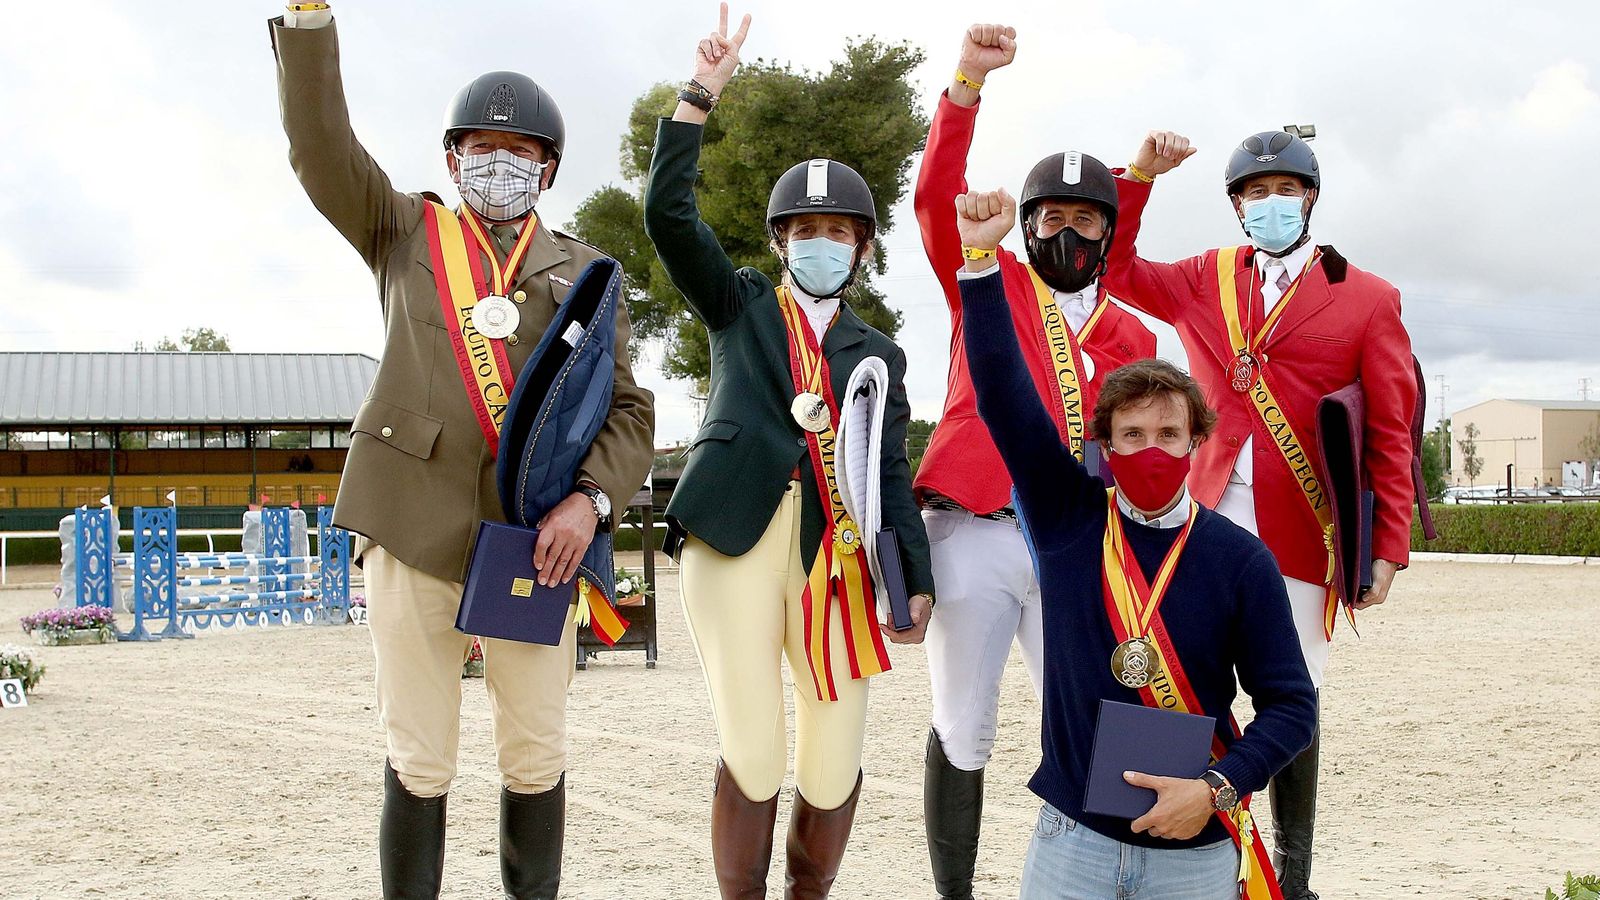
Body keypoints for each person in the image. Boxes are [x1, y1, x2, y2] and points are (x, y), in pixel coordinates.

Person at [268, 6, 655, 898]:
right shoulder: (403, 232)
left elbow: (628, 409)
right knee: (418, 755)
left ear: (548, 168)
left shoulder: (589, 272)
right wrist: (310, 23)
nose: (500, 163)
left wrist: (589, 500)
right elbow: (321, 147)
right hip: (410, 525)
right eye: (481, 147)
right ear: (452, 158)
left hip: (531, 540)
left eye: (520, 152)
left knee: (535, 749)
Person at [641, 6, 934, 897]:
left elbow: (888, 471)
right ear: (780, 244)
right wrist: (701, 95)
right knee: (758, 753)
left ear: (862, 249)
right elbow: (666, 213)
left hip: (837, 558)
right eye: (803, 232)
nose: (819, 243)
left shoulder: (879, 353)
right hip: (734, 538)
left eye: (838, 232)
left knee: (834, 761)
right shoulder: (739, 306)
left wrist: (913, 577)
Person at [953, 186, 1316, 900]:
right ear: (1106, 448)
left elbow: (1292, 707)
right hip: (1071, 847)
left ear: (1194, 443)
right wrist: (980, 262)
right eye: (1131, 435)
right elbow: (1000, 393)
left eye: (1169, 435)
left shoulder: (1241, 561)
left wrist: (1218, 788)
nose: (1151, 450)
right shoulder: (1067, 520)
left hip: (1197, 852)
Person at [1102, 127, 1419, 898]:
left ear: (1309, 199)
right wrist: (1139, 175)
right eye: (1253, 192)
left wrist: (1387, 544)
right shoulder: (1202, 277)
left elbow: (1390, 428)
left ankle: (1292, 876)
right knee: (1172, 671)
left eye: (1283, 191)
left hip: (1302, 530)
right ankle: (1165, 849)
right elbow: (1112, 268)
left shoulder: (1370, 297)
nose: (1268, 203)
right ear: (1236, 204)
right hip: (1195, 514)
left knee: (1295, 694)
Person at [910, 25, 1157, 899]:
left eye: (1085, 219)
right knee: (962, 722)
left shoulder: (1132, 335)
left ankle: (1117, 876)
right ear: (1028, 226)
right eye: (1050, 216)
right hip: (973, 525)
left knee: (1107, 712)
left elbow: (1147, 452)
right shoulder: (989, 276)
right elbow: (938, 197)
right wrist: (969, 83)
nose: (1065, 230)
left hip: (1078, 547)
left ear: (1106, 233)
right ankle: (956, 893)